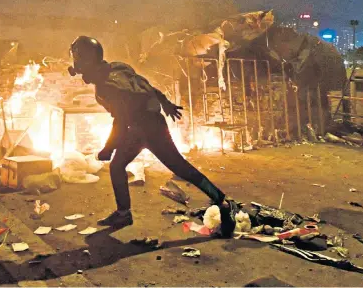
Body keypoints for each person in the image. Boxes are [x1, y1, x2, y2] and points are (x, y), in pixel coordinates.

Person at [67, 36, 238, 237]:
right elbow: (148, 87)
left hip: (145, 130)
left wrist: (108, 148)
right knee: (119, 166)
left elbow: (120, 122)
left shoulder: (106, 86)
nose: (75, 64)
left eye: (77, 58)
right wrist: (165, 103)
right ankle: (123, 214)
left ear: (85, 60)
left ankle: (224, 202)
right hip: (145, 127)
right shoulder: (118, 67)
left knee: (179, 167)